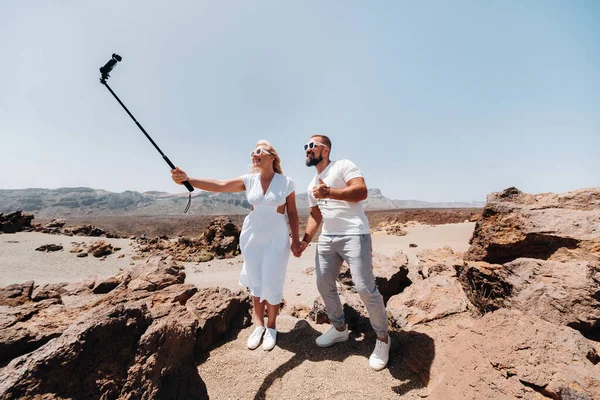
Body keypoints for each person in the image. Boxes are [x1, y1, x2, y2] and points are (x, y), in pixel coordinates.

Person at [171, 140, 301, 351]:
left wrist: (296, 240)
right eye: (252, 152)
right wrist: (189, 179)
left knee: (273, 279)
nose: (254, 155)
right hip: (253, 236)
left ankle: (272, 326)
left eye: (259, 151)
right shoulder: (249, 180)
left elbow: (293, 212)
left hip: (277, 236)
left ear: (272, 157)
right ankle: (258, 325)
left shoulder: (286, 182)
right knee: (256, 280)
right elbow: (220, 185)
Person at [298, 134, 391, 371]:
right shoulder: (311, 184)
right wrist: (305, 241)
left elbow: (360, 191)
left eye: (312, 145)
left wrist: (329, 192)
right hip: (328, 237)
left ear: (325, 149)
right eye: (305, 146)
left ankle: (383, 339)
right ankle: (340, 329)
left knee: (364, 287)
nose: (307, 150)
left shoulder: (343, 166)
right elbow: (316, 215)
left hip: (354, 234)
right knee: (323, 283)